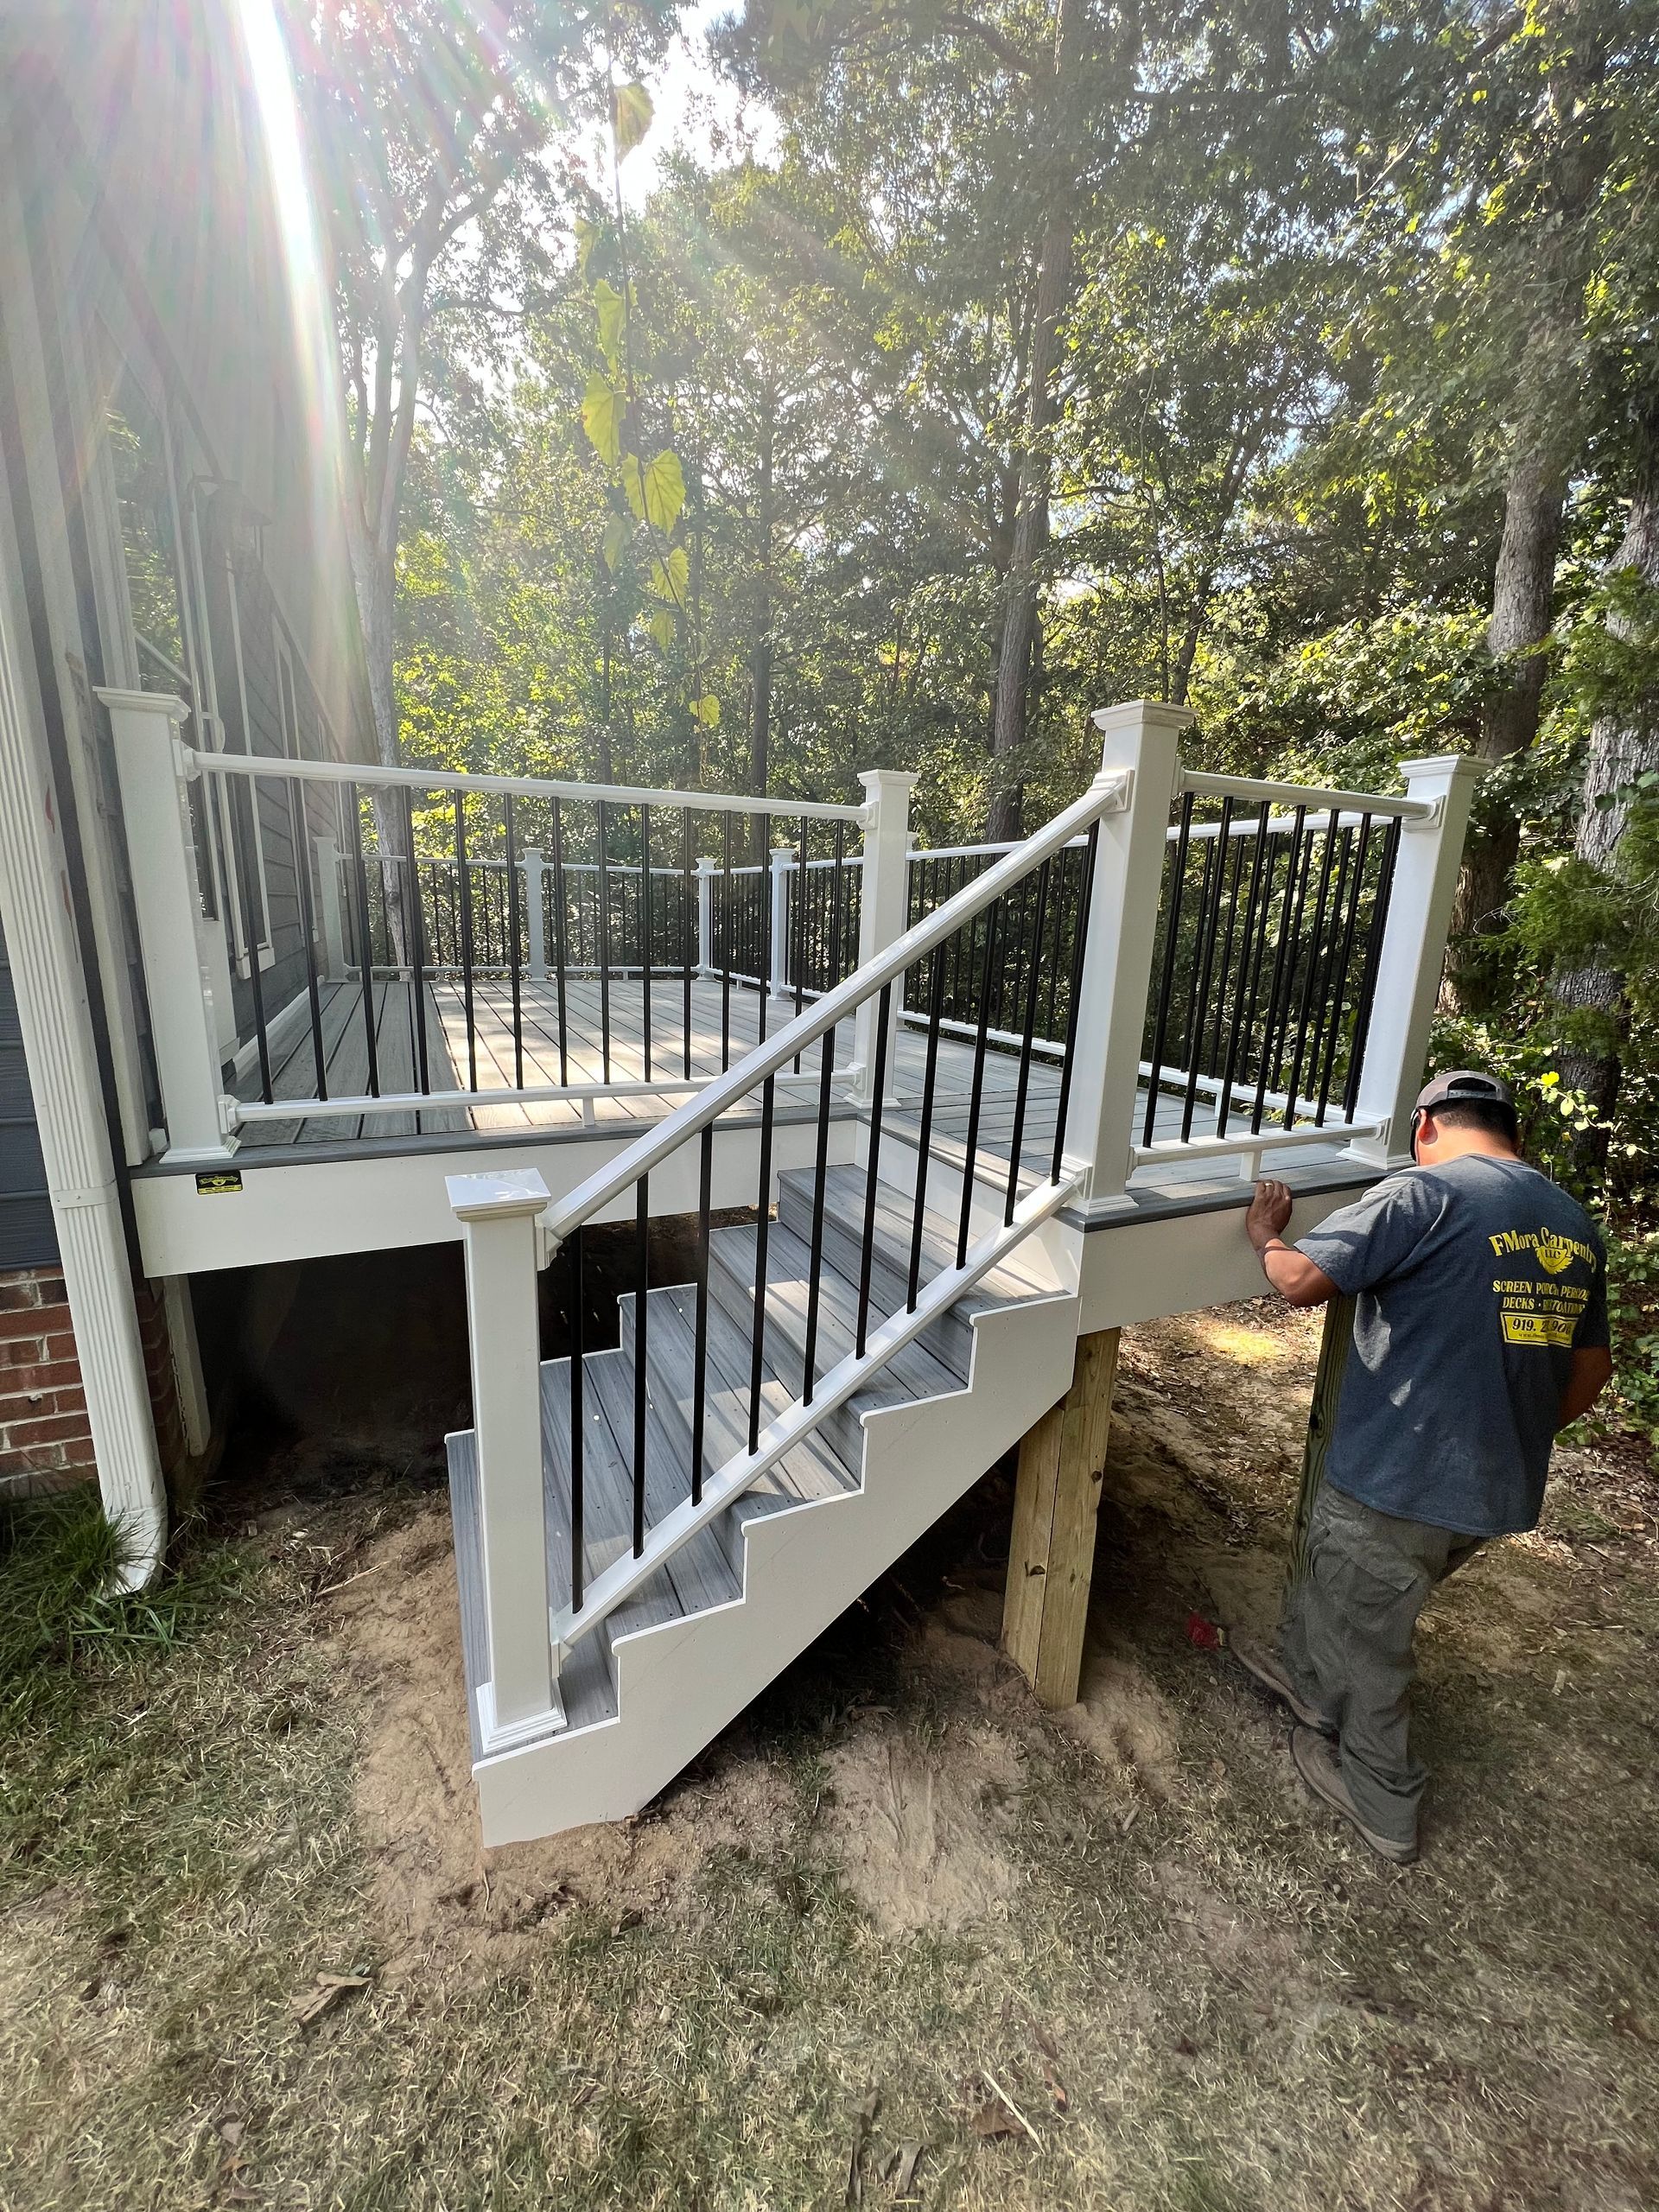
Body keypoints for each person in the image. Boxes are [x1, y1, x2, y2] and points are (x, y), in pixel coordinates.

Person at [1235, 1070, 1613, 1865]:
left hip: (1401, 1477)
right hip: (1494, 1485)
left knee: (1372, 1637)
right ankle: (1309, 1688)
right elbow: (1593, 1367)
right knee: (1352, 1595)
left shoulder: (1421, 1194)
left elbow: (1303, 1282)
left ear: (1425, 1125)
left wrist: (1268, 1236)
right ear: (1517, 1136)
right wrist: (1515, 1430)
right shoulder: (1573, 1222)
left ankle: (1383, 1802)